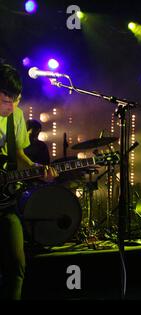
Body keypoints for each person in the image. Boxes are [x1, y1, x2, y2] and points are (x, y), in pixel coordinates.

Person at [0, 63, 57, 300]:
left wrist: (37, 170)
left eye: (15, 100)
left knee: (17, 265)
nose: (10, 106)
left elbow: (20, 157)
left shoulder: (17, 115)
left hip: (4, 204)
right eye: (4, 100)